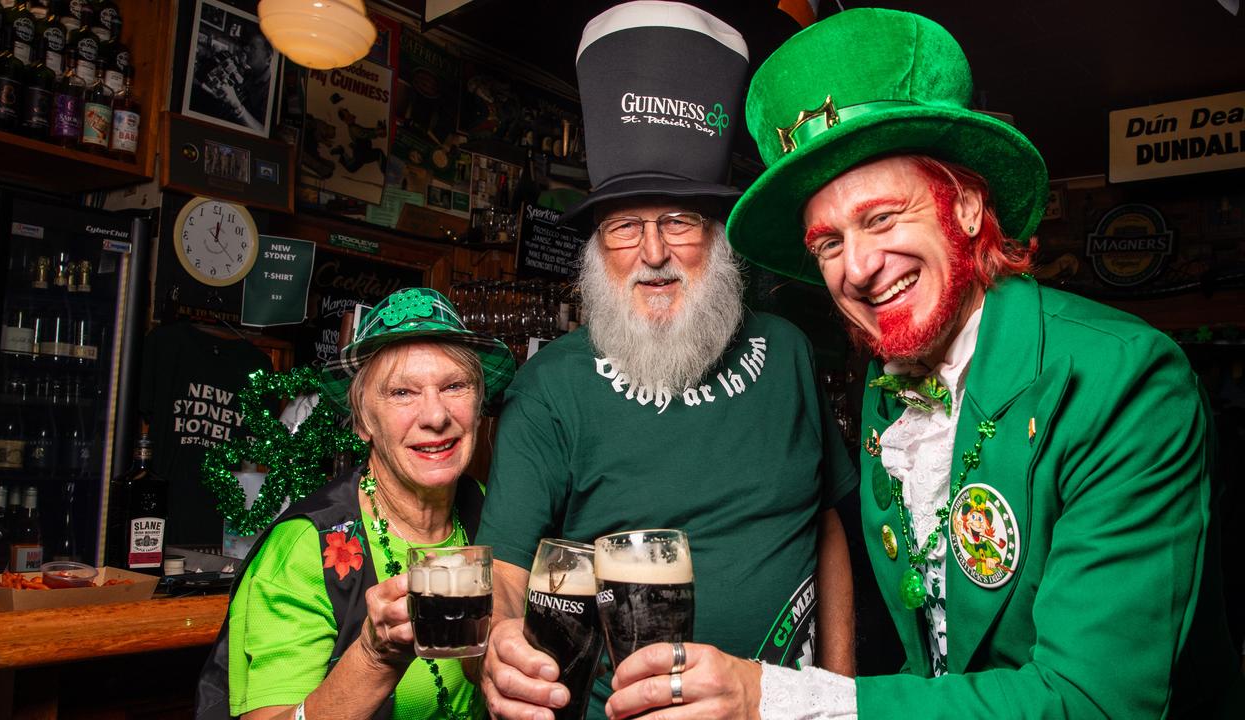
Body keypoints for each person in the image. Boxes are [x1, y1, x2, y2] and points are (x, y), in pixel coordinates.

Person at [605, 8, 1245, 719]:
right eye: (828, 243)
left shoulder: (1124, 381)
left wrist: (780, 698)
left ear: (968, 207)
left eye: (881, 218)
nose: (861, 267)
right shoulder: (892, 387)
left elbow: (1095, 702)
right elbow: (938, 652)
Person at [476, 3, 857, 719]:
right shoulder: (552, 385)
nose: (653, 254)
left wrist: (839, 690)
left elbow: (826, 525)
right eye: (625, 228)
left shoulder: (788, 352)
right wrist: (501, 641)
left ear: (718, 240)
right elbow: (504, 569)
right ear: (596, 252)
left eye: (679, 222)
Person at [195, 288, 515, 720]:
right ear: (363, 422)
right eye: (403, 392)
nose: (435, 416)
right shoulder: (305, 548)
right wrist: (372, 657)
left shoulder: (496, 514)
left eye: (454, 386)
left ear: (478, 408)